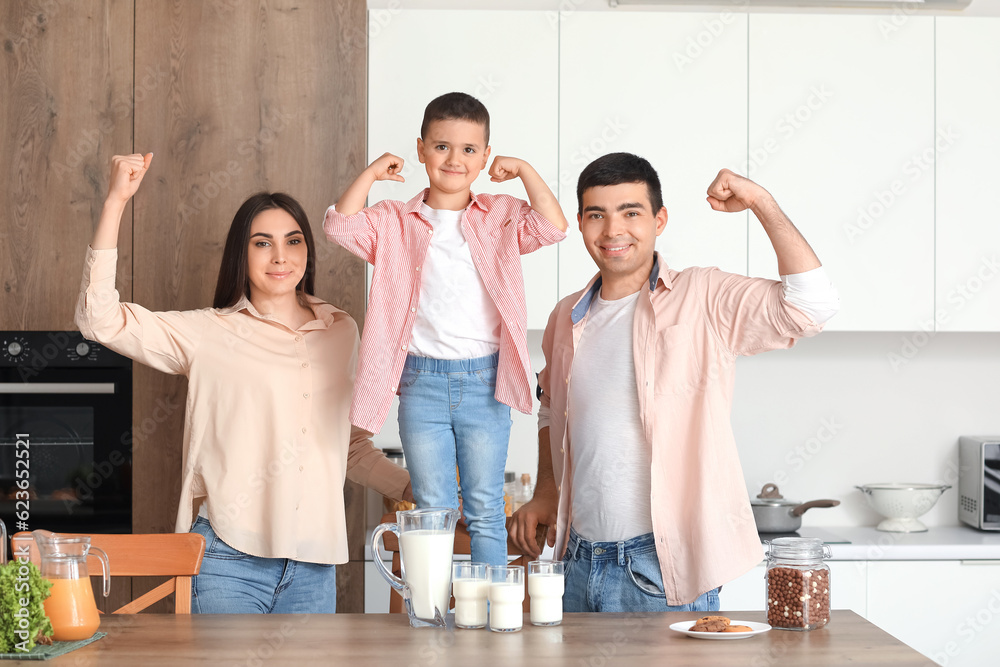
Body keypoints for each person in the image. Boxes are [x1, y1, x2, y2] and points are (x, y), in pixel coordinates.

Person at [76, 153, 413, 613]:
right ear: (242, 252)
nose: (281, 256)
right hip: (226, 560)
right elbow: (99, 320)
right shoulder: (209, 333)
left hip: (315, 565)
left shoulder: (341, 331)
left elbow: (348, 445)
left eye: (293, 241)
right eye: (262, 243)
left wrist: (411, 487)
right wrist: (116, 200)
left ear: (308, 249)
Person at [509, 152, 840, 612]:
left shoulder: (702, 296)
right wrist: (546, 491)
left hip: (662, 569)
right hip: (575, 563)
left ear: (659, 219)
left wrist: (762, 201)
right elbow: (550, 409)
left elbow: (811, 307)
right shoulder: (565, 316)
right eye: (596, 215)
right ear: (581, 224)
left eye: (631, 212)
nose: (613, 231)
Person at [325, 92, 568, 568]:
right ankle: (430, 618)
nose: (454, 159)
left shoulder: (500, 215)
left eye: (469, 150)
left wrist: (524, 172)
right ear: (420, 150)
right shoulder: (395, 220)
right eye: (441, 147)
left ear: (485, 157)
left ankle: (489, 619)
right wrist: (373, 174)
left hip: (485, 383)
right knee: (433, 511)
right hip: (420, 384)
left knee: (484, 511)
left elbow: (553, 227)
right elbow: (341, 226)